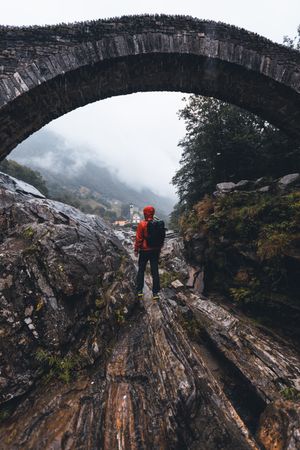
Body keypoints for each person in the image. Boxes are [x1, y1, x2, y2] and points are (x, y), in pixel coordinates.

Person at [134, 205, 164, 300]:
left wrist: (136, 250)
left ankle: (139, 291)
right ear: (153, 213)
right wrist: (159, 249)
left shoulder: (142, 224)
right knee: (154, 271)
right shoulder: (158, 224)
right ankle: (155, 293)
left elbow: (138, 239)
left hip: (144, 251)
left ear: (144, 213)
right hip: (155, 250)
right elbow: (161, 238)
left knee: (141, 270)